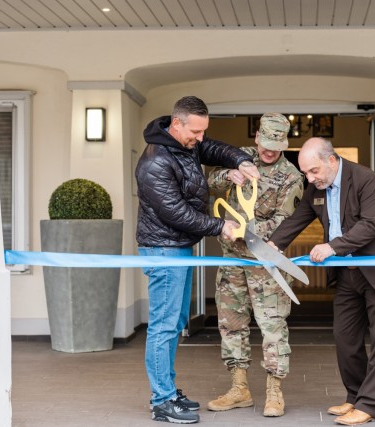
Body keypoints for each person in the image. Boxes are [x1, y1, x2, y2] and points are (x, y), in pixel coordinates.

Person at [135, 96, 260, 424]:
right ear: (176, 124)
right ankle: (161, 400)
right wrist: (221, 226)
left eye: (203, 130)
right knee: (163, 326)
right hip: (164, 249)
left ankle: (168, 390)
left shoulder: (184, 144)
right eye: (195, 131)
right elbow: (175, 213)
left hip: (178, 248)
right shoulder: (155, 162)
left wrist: (241, 160)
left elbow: (213, 149)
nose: (200, 138)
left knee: (174, 323)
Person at [268, 137, 375, 426]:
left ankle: (369, 405)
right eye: (306, 172)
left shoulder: (367, 180)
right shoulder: (315, 188)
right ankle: (355, 396)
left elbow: (369, 225)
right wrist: (273, 245)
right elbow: (298, 218)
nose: (310, 178)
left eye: (314, 171)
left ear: (332, 161)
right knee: (344, 336)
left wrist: (332, 247)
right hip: (347, 273)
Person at [206, 113, 304, 417]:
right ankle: (239, 390)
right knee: (231, 325)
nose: (269, 151)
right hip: (232, 261)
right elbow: (209, 181)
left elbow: (285, 223)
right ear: (257, 137)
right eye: (265, 143)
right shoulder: (240, 157)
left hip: (266, 264)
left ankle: (274, 392)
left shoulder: (291, 176)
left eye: (276, 145)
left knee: (272, 327)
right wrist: (227, 176)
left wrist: (244, 233)